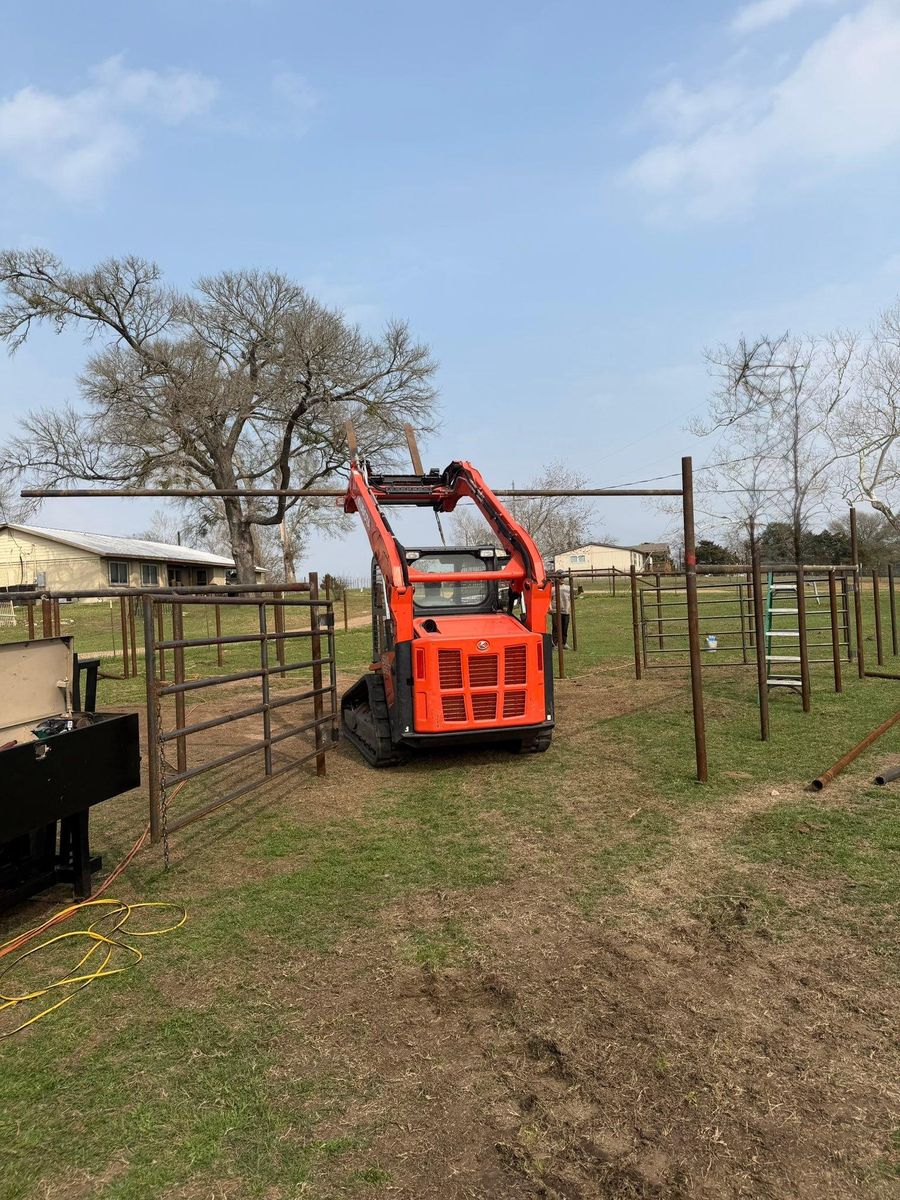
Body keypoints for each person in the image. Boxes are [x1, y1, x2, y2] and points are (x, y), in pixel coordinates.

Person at [549, 579, 571, 648]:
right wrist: (549, 608)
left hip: (566, 610)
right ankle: (555, 644)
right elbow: (548, 599)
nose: (562, 579)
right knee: (556, 628)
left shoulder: (568, 588)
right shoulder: (552, 589)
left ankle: (564, 643)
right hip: (555, 610)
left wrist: (580, 588)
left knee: (565, 628)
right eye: (560, 577)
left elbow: (576, 592)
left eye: (563, 577)